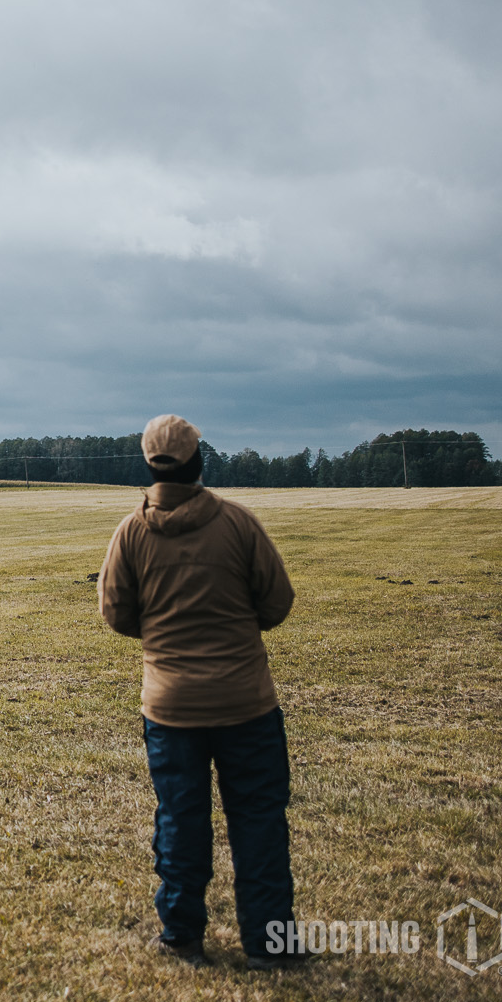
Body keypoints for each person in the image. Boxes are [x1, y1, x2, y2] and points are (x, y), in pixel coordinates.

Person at [98, 415, 301, 971]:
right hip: (247, 703)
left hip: (170, 708)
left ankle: (181, 936)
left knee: (180, 821)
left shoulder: (131, 533)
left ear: (148, 465)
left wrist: (163, 634)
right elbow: (277, 602)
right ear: (198, 462)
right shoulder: (239, 524)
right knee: (258, 821)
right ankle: (269, 944)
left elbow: (116, 613)